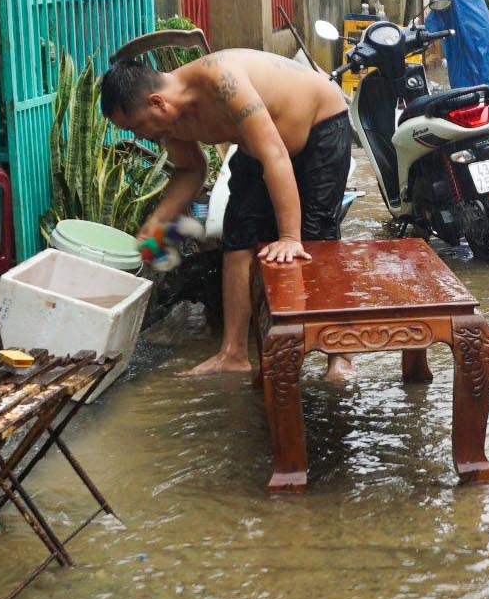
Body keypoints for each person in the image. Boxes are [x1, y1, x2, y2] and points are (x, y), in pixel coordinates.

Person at [100, 50, 355, 380]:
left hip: (320, 124)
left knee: (316, 238)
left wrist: (289, 237)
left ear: (157, 102)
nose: (139, 137)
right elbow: (191, 168)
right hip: (257, 146)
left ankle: (340, 355)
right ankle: (233, 353)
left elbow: (275, 155)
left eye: (136, 127)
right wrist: (156, 224)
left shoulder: (220, 79)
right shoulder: (169, 122)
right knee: (237, 238)